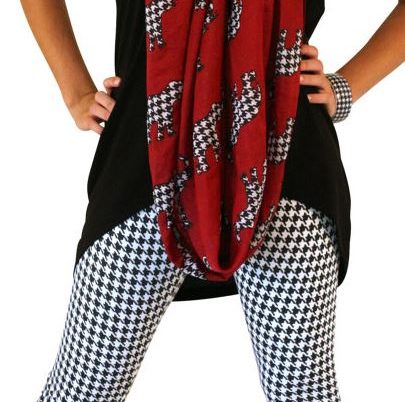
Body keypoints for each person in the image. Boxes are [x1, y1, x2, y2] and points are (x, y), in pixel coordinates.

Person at [19, 0, 404, 401]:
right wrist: (76, 92)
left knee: (302, 392)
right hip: (146, 173)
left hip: (286, 175)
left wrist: (346, 87)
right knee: (81, 388)